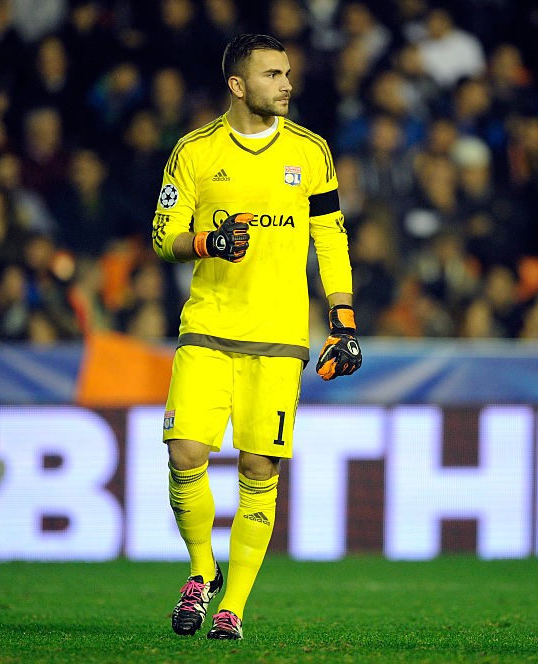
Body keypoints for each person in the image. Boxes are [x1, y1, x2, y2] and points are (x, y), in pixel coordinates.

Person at [150, 33, 362, 641]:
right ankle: (201, 571)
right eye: (272, 75)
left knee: (258, 465)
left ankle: (231, 608)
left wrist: (343, 321)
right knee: (185, 451)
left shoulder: (312, 152)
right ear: (238, 86)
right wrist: (206, 242)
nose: (287, 84)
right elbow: (163, 236)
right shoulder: (194, 152)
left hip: (278, 334)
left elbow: (331, 240)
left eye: (288, 73)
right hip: (209, 326)